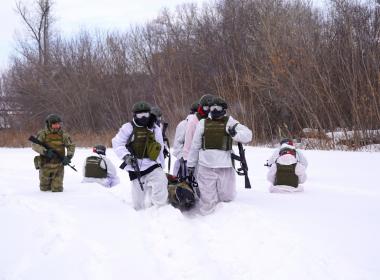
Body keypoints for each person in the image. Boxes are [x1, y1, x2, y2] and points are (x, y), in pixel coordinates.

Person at [187, 96, 252, 215]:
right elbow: (195, 146)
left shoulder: (230, 122)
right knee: (207, 199)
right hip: (206, 166)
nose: (215, 110)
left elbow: (248, 135)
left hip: (225, 166)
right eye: (212, 107)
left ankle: (224, 221)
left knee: (227, 197)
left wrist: (235, 134)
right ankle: (207, 222)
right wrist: (191, 164)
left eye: (218, 107)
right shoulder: (203, 123)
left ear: (223, 109)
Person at [112, 101, 168, 210]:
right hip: (135, 165)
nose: (143, 118)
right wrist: (126, 156)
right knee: (138, 200)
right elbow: (117, 143)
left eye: (146, 115)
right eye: (140, 115)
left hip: (152, 163)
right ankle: (139, 215)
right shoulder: (128, 127)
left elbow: (160, 146)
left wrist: (161, 164)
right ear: (134, 115)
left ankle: (159, 209)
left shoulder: (154, 128)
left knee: (161, 181)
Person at [31, 114, 75, 192]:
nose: (57, 125)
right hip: (45, 165)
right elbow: (34, 145)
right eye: (55, 124)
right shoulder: (42, 134)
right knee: (44, 189)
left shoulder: (63, 134)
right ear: (49, 124)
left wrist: (68, 157)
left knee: (57, 190)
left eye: (58, 123)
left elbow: (71, 145)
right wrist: (45, 151)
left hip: (58, 165)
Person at [182, 94, 215, 177]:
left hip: (214, 160)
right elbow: (188, 143)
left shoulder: (216, 120)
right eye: (206, 108)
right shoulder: (194, 121)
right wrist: (188, 161)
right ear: (201, 107)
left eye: (210, 108)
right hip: (198, 161)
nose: (208, 111)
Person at [172, 101, 199, 178]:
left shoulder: (202, 123)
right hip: (185, 163)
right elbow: (178, 145)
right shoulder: (183, 124)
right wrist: (183, 159)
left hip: (197, 161)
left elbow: (177, 145)